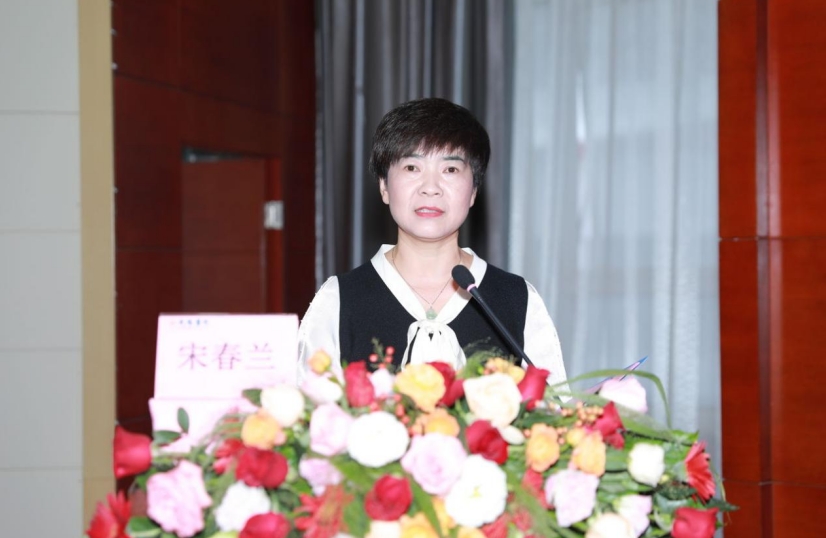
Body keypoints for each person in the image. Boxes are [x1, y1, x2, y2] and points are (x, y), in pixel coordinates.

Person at [298, 97, 567, 386]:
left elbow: (555, 407)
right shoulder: (339, 299)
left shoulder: (517, 299)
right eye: (412, 168)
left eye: (450, 170)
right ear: (384, 186)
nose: (430, 188)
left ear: (473, 191)